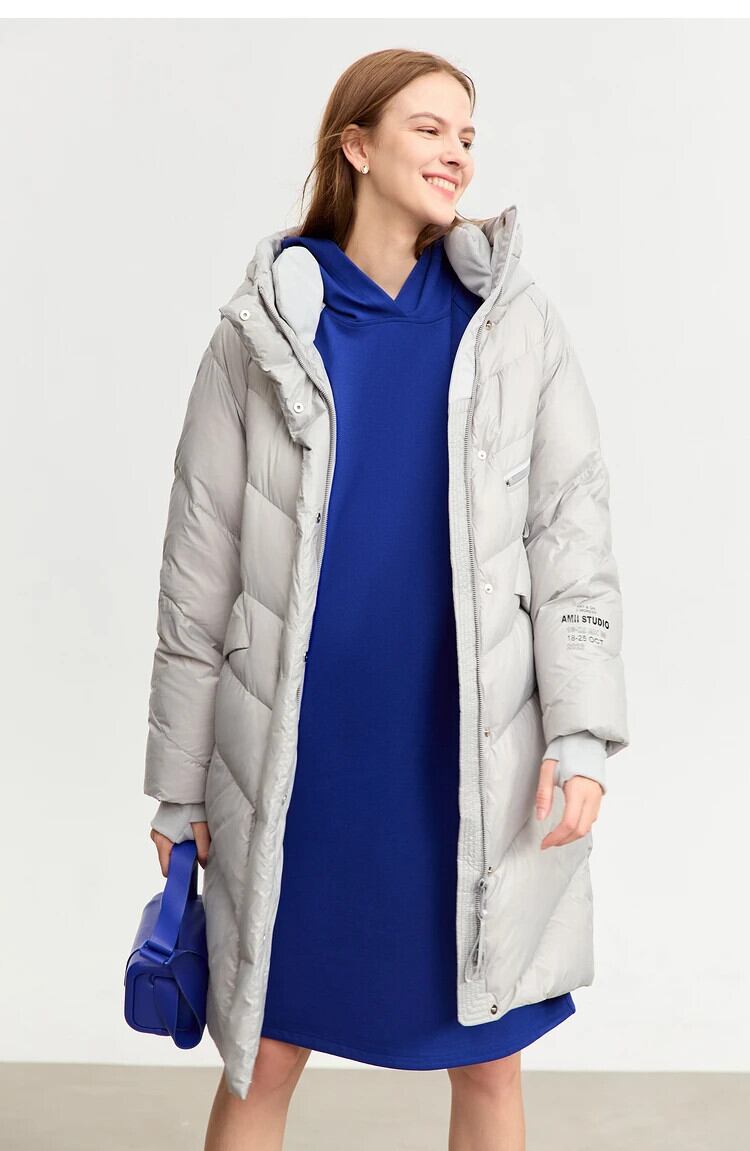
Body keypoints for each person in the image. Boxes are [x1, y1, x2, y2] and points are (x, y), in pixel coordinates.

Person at [145, 48, 628, 1151]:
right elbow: (196, 574)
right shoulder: (260, 333)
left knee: (489, 1058)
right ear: (356, 147)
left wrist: (584, 733)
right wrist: (177, 787)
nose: (458, 153)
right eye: (430, 128)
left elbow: (573, 540)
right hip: (299, 763)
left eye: (468, 135)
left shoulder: (515, 326)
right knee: (264, 1054)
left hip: (469, 760)